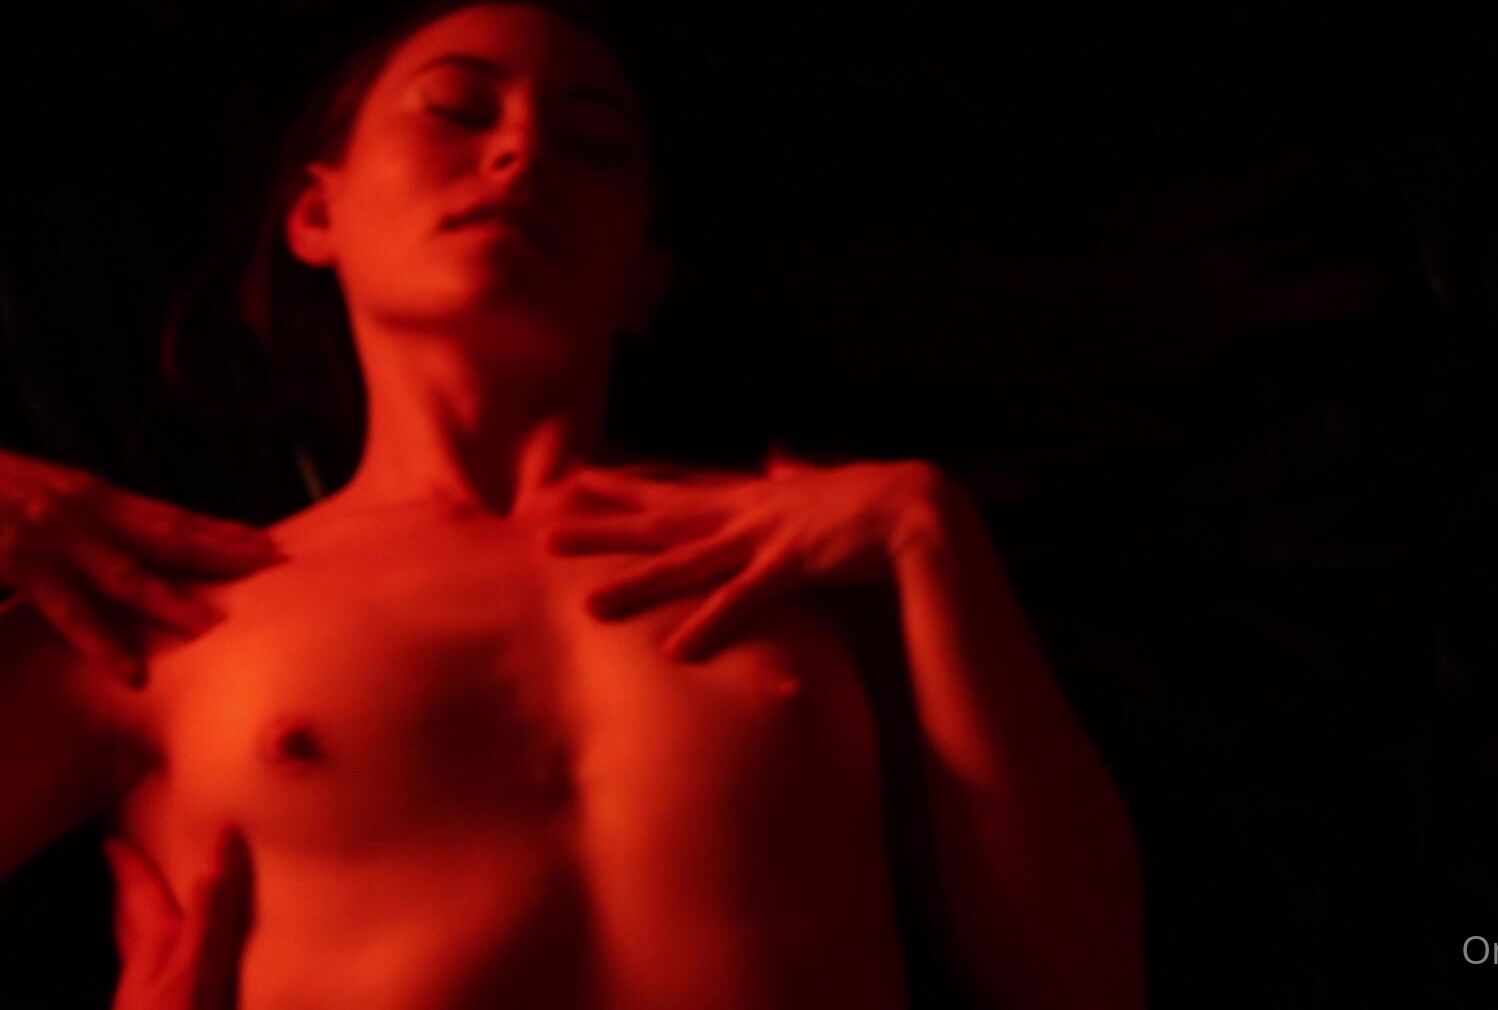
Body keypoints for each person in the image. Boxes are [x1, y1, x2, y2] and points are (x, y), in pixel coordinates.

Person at [0, 2, 1146, 1008]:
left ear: (644, 278)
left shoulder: (817, 562)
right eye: (457, 110)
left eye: (595, 145)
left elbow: (1087, 980)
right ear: (315, 214)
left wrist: (930, 532)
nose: (523, 150)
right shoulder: (159, 605)